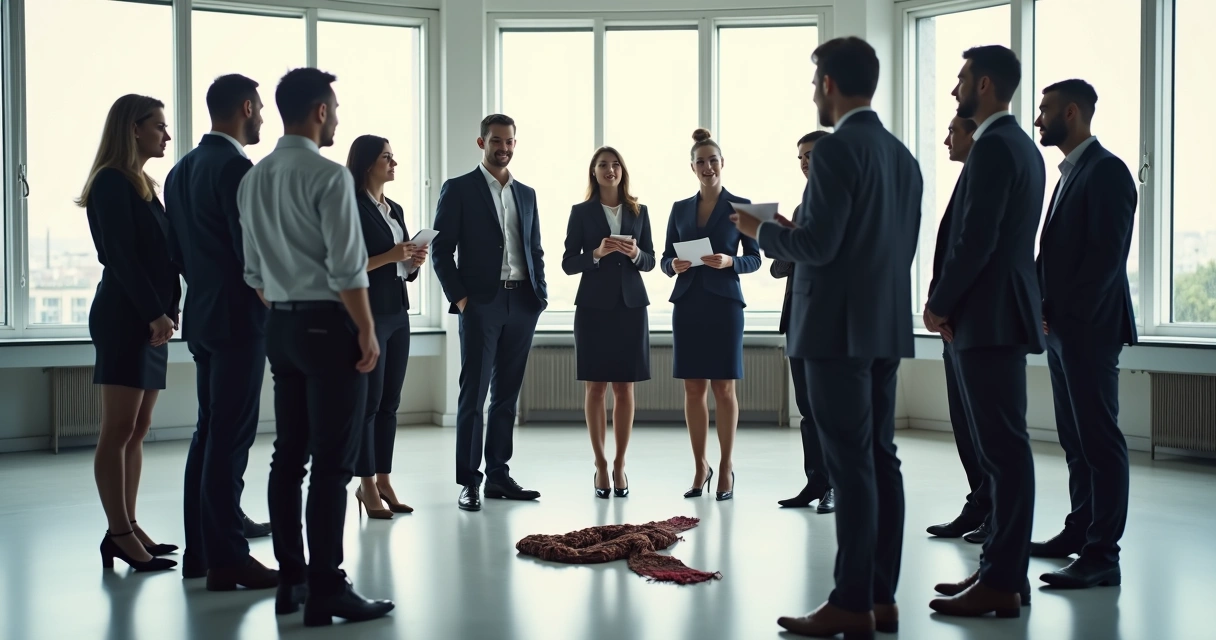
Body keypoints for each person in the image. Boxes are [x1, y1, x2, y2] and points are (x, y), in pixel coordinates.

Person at [737, 37, 921, 638]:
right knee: (881, 459)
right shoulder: (903, 157)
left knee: (850, 466)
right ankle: (881, 598)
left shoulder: (838, 151)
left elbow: (818, 246)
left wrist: (761, 231)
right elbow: (888, 248)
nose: (814, 91)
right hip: (884, 325)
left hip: (835, 330)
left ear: (830, 85)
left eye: (815, 81)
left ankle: (849, 602)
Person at [237, 67, 393, 626]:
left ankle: (292, 580)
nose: (337, 121)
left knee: (288, 457)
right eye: (335, 110)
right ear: (321, 111)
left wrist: (289, 304)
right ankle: (327, 587)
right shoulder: (328, 177)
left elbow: (253, 273)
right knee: (332, 463)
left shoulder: (253, 178)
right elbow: (348, 268)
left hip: (280, 327)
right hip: (330, 327)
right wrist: (366, 329)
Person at [925, 45, 1046, 618]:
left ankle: (1001, 581)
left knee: (1002, 451)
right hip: (996, 314)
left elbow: (977, 240)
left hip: (988, 315)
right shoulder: (1017, 145)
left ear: (986, 84)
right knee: (1003, 450)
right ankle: (1003, 572)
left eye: (962, 79)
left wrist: (938, 304)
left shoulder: (996, 146)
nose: (955, 90)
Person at [165, 74, 277, 590]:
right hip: (239, 321)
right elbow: (250, 252)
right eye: (260, 110)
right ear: (247, 107)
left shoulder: (180, 170)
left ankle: (201, 550)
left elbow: (178, 253)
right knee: (230, 439)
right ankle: (229, 558)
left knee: (208, 434)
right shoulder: (236, 167)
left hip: (204, 316)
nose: (262, 119)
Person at [1032, 78, 1136, 589]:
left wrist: (1066, 319)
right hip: (1062, 329)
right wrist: (1041, 309)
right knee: (1075, 440)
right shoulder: (1070, 174)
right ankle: (1079, 531)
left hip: (1088, 330)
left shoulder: (1107, 171)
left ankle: (1102, 556)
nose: (1038, 119)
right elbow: (1055, 255)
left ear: (1071, 113)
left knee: (1099, 441)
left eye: (1045, 109)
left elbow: (1104, 262)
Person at [79, 94, 181, 573]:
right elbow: (120, 256)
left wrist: (168, 312)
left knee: (138, 429)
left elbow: (163, 257)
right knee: (118, 429)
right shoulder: (111, 182)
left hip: (151, 317)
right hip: (125, 317)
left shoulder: (143, 184)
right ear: (133, 128)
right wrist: (154, 313)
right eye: (159, 126)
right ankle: (118, 533)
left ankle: (129, 525)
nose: (167, 135)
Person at [431, 114, 547, 511]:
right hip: (482, 304)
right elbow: (441, 250)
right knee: (474, 395)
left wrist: (540, 296)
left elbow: (534, 249)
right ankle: (469, 481)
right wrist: (462, 300)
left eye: (510, 141)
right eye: (497, 140)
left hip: (523, 302)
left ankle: (498, 475)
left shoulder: (526, 194)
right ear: (482, 143)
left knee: (506, 397)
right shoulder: (459, 189)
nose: (504, 148)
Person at [662, 128, 761, 501]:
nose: (708, 167)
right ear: (692, 167)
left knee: (724, 387)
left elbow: (755, 258)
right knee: (693, 388)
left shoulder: (743, 207)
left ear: (723, 163)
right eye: (700, 162)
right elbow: (664, 258)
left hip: (725, 304)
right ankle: (700, 466)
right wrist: (673, 265)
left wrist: (730, 261)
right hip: (688, 303)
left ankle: (726, 466)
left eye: (713, 160)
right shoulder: (679, 209)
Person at [561, 146, 655, 498]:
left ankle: (619, 464)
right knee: (595, 388)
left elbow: (651, 260)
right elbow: (568, 263)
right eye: (603, 165)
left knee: (625, 388)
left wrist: (636, 253)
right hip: (593, 308)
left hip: (631, 307)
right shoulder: (581, 212)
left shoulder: (639, 211)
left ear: (622, 171)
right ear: (594, 171)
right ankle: (600, 464)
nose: (610, 169)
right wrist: (597, 254)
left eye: (615, 164)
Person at [346, 134, 427, 518]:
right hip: (369, 314)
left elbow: (400, 266)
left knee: (390, 404)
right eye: (386, 157)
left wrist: (412, 262)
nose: (394, 163)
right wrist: (392, 254)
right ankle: (364, 485)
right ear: (367, 164)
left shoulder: (394, 208)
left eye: (393, 157)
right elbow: (348, 265)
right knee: (369, 403)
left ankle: (383, 479)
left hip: (398, 312)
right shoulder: (351, 206)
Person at [925, 115, 991, 545]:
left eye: (952, 131)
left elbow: (975, 248)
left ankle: (994, 513)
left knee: (984, 428)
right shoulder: (968, 175)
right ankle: (980, 505)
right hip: (956, 324)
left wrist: (941, 307)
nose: (946, 139)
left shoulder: (987, 171)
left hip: (972, 320)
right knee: (965, 425)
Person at [772, 130, 835, 513]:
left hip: (826, 320)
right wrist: (783, 238)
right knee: (808, 410)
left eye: (811, 155)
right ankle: (815, 481)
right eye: (801, 157)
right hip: (797, 318)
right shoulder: (800, 208)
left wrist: (801, 245)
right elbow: (780, 267)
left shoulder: (842, 202)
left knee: (829, 410)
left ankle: (835, 486)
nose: (805, 163)